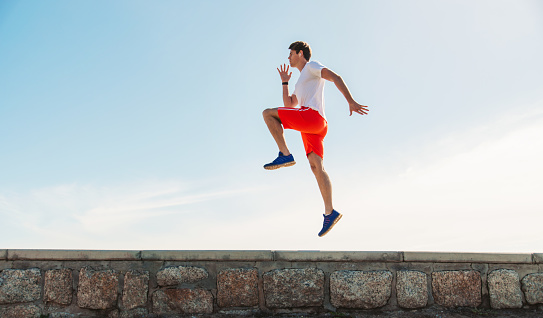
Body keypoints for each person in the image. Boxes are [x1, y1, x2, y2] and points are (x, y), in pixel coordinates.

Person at [262, 41, 369, 237]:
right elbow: (289, 104)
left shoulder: (311, 67)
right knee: (316, 167)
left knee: (268, 114)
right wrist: (285, 82)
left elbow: (335, 77)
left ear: (300, 53)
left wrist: (351, 101)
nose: (288, 58)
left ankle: (285, 154)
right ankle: (330, 212)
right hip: (313, 127)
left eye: (291, 54)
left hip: (312, 117)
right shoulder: (300, 81)